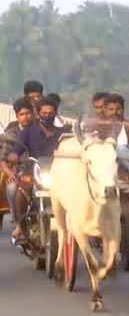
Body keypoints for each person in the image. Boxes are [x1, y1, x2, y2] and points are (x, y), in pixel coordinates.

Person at [8, 97, 71, 241]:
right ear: (38, 113)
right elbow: (17, 148)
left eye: (51, 113)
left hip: (58, 172)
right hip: (34, 171)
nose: (47, 116)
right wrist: (13, 155)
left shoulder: (63, 132)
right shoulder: (28, 132)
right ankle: (21, 226)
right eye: (44, 113)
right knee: (20, 192)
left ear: (56, 113)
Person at [2, 98, 36, 240]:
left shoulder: (40, 130)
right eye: (21, 114)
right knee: (11, 188)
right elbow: (3, 160)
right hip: (20, 172)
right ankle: (19, 223)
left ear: (33, 114)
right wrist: (11, 174)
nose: (25, 117)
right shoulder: (11, 134)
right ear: (16, 117)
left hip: (40, 171)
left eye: (28, 113)